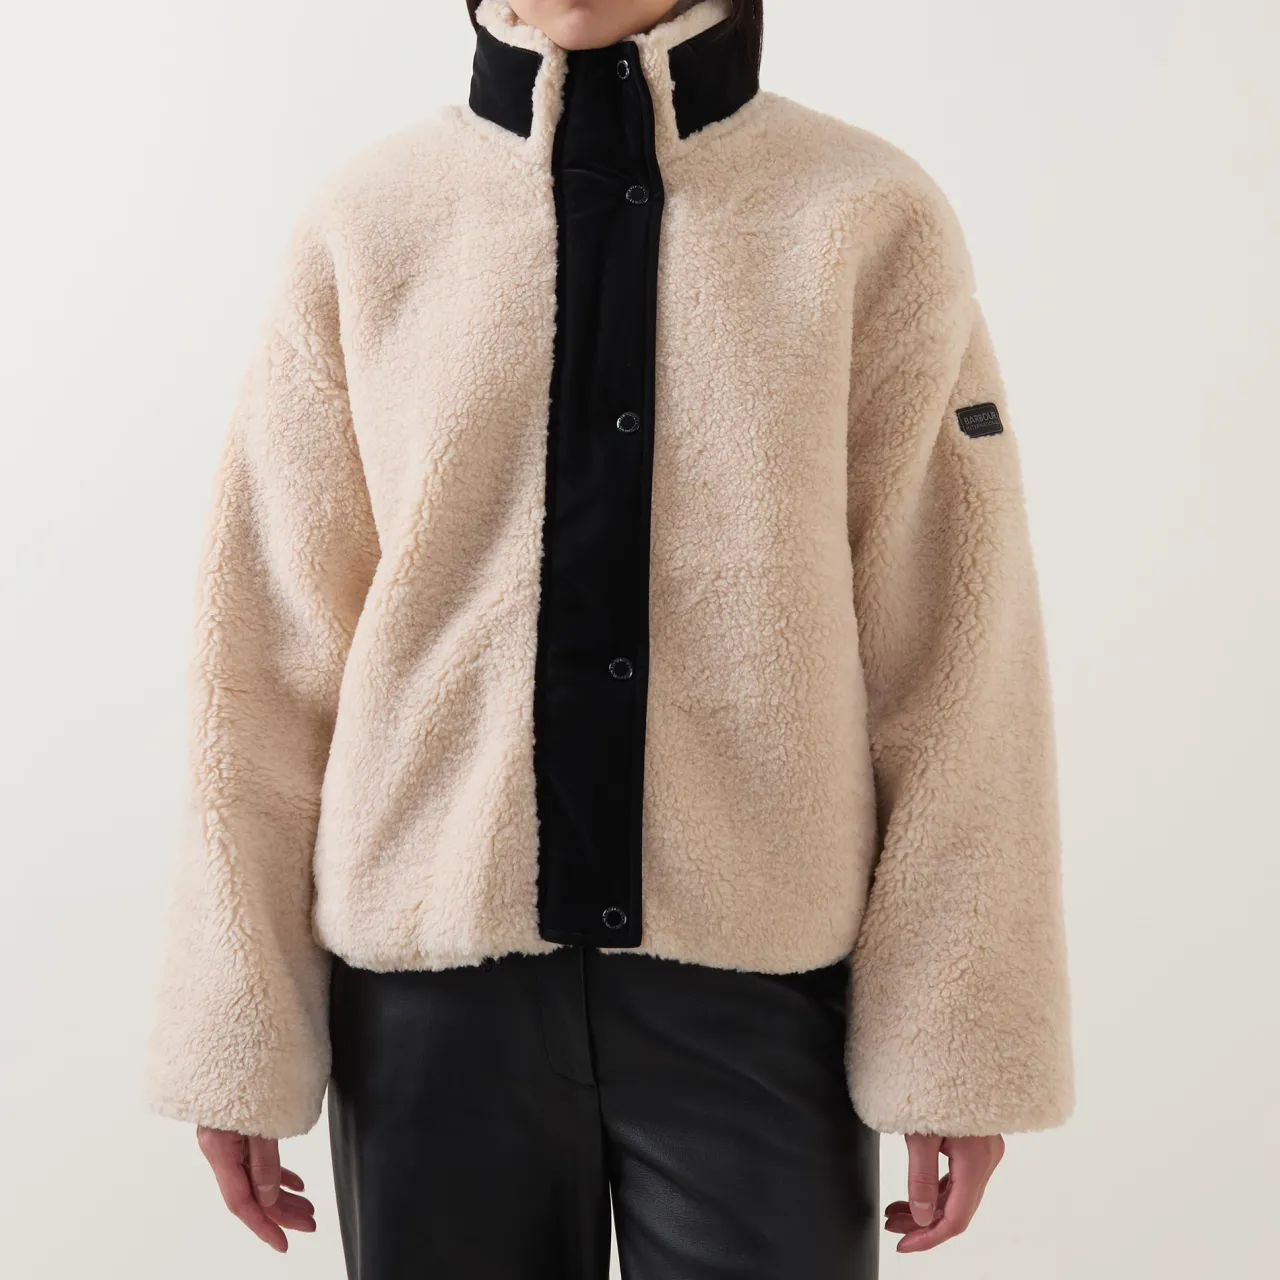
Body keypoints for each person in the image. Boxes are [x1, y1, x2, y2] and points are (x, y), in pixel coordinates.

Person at [142, 0, 1075, 1275]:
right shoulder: (370, 220)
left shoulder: (861, 214)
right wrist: (239, 1026)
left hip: (757, 1001)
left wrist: (954, 1038)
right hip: (426, 1002)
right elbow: (260, 654)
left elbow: (956, 654)